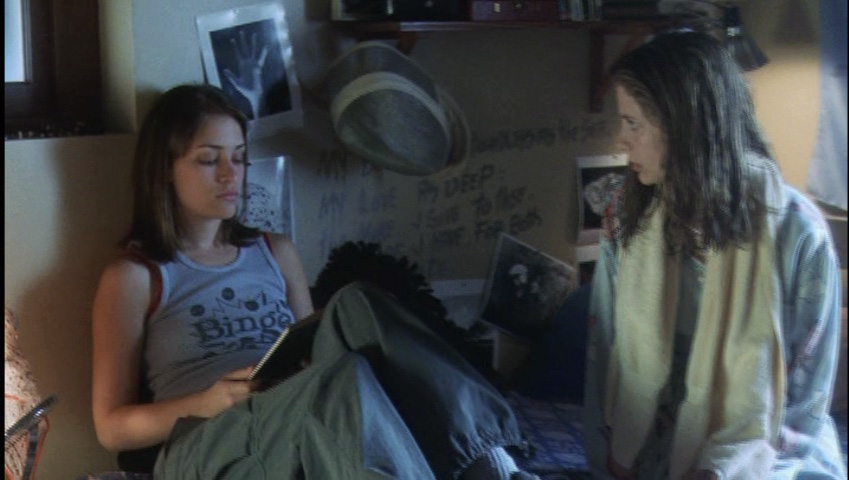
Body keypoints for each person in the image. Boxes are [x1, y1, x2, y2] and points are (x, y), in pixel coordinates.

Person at [90, 84, 539, 479]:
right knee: (338, 381)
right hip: (206, 441)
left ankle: (494, 465)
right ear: (164, 170)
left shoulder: (275, 250)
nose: (230, 174)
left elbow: (316, 348)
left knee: (357, 302)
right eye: (209, 159)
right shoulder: (135, 277)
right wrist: (206, 402)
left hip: (288, 410)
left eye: (239, 157)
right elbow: (111, 426)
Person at [583, 31, 845, 479]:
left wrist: (724, 471)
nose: (622, 141)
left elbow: (805, 402)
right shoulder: (625, 218)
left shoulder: (798, 233)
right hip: (647, 448)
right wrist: (610, 457)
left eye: (633, 123)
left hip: (768, 456)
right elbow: (605, 361)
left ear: (684, 124)